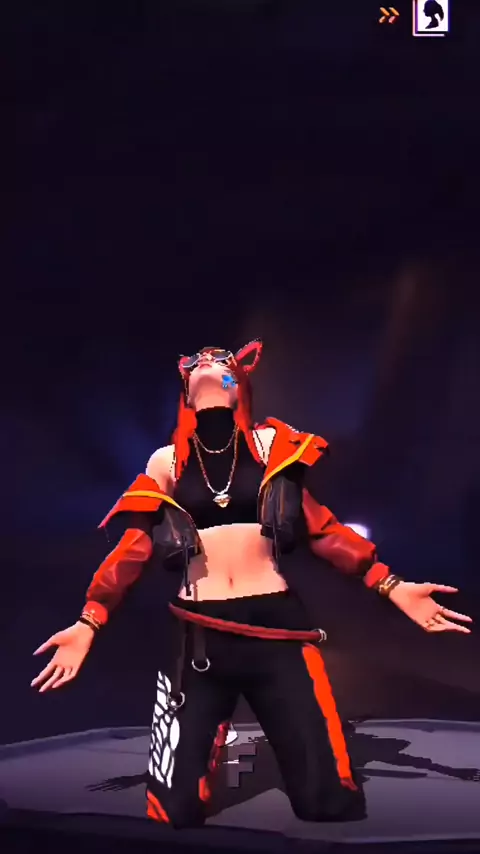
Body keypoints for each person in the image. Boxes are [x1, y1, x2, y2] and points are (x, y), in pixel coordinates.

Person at [31, 340, 472, 829]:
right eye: (196, 362)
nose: (206, 362)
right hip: (197, 636)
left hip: (276, 628)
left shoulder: (270, 450)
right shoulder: (166, 463)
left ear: (239, 381)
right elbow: (133, 548)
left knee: (326, 800)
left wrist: (390, 585)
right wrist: (89, 621)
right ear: (185, 390)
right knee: (172, 810)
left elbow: (323, 530)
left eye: (220, 360)